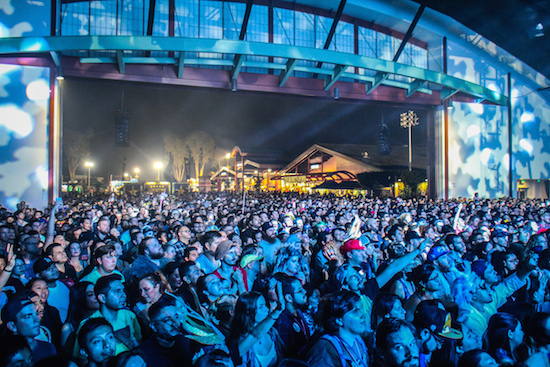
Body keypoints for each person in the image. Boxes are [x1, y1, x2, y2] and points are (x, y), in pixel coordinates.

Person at [74, 274, 142, 359]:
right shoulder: (87, 324)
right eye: (117, 291)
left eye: (123, 290)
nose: (123, 295)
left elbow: (136, 344)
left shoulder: (129, 315)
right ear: (102, 298)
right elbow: (81, 359)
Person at [306, 290, 368, 367]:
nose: (363, 315)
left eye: (361, 310)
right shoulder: (325, 349)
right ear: (339, 320)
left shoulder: (358, 340)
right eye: (355, 311)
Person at [228, 289, 285, 367]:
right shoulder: (239, 341)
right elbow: (254, 335)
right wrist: (276, 313)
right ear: (248, 312)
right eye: (261, 307)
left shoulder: (272, 333)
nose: (267, 309)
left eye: (265, 305)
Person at [136, 295, 194, 367]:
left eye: (176, 317)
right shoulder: (144, 355)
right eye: (166, 320)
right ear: (153, 326)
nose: (174, 323)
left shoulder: (185, 340)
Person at [1, 293, 56, 364]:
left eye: (36, 314)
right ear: (12, 326)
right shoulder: (5, 355)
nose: (36, 319)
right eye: (28, 316)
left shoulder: (49, 348)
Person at [274, 275, 311, 358]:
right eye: (300, 290)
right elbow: (287, 354)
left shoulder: (298, 312)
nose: (305, 291)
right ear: (289, 298)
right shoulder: (282, 322)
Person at [33, 256, 70, 323]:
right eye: (48, 269)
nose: (54, 270)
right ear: (38, 275)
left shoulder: (63, 284)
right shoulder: (40, 294)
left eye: (54, 266)